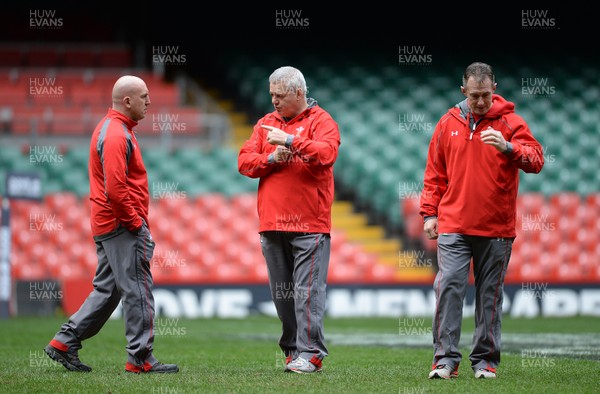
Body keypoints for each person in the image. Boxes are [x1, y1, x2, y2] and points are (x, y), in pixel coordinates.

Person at [44, 75, 179, 374]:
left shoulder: (111, 129)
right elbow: (116, 189)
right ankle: (141, 358)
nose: (149, 101)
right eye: (144, 96)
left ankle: (65, 341)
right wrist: (135, 223)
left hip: (107, 224)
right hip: (121, 225)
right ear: (127, 100)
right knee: (138, 290)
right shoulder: (117, 134)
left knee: (107, 291)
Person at [419, 62, 544, 379]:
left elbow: (536, 159)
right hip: (453, 225)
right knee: (448, 288)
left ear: (495, 90)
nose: (480, 102)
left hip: (496, 229)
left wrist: (509, 147)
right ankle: (445, 359)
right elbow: (435, 174)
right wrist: (430, 213)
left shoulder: (511, 123)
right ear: (463, 92)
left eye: (485, 95)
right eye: (474, 96)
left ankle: (485, 361)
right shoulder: (447, 123)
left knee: (490, 295)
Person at [238, 66, 340, 374]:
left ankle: (311, 353)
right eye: (271, 95)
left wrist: (292, 143)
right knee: (283, 296)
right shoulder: (266, 124)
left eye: (279, 96)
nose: (274, 102)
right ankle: (293, 350)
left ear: (299, 93)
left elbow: (327, 153)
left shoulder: (321, 121)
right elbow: (244, 161)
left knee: (307, 293)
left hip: (309, 224)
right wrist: (270, 158)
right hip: (272, 224)